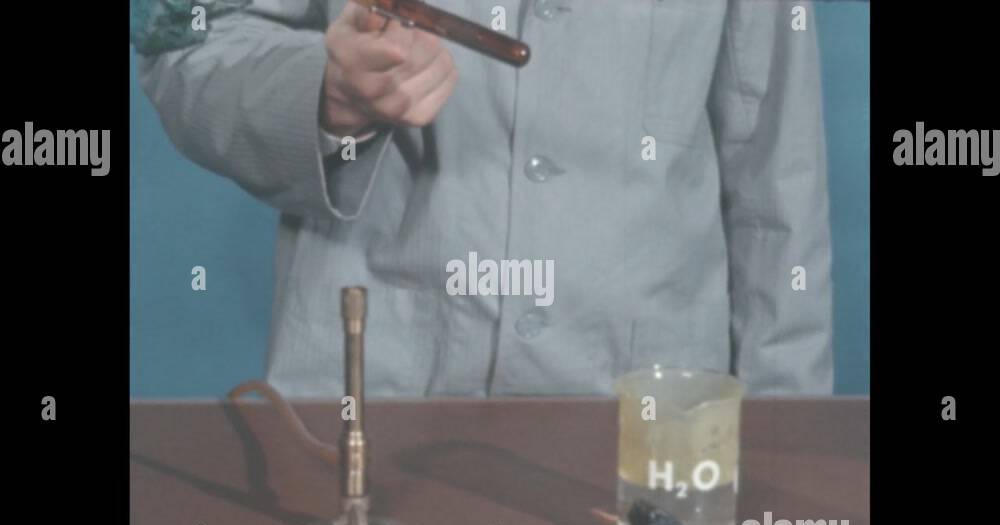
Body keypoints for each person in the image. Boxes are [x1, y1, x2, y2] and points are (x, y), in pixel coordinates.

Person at [138, 0, 833, 398]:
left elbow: (777, 179)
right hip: (366, 413)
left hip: (647, 439)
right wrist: (324, 91)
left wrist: (782, 453)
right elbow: (185, 42)